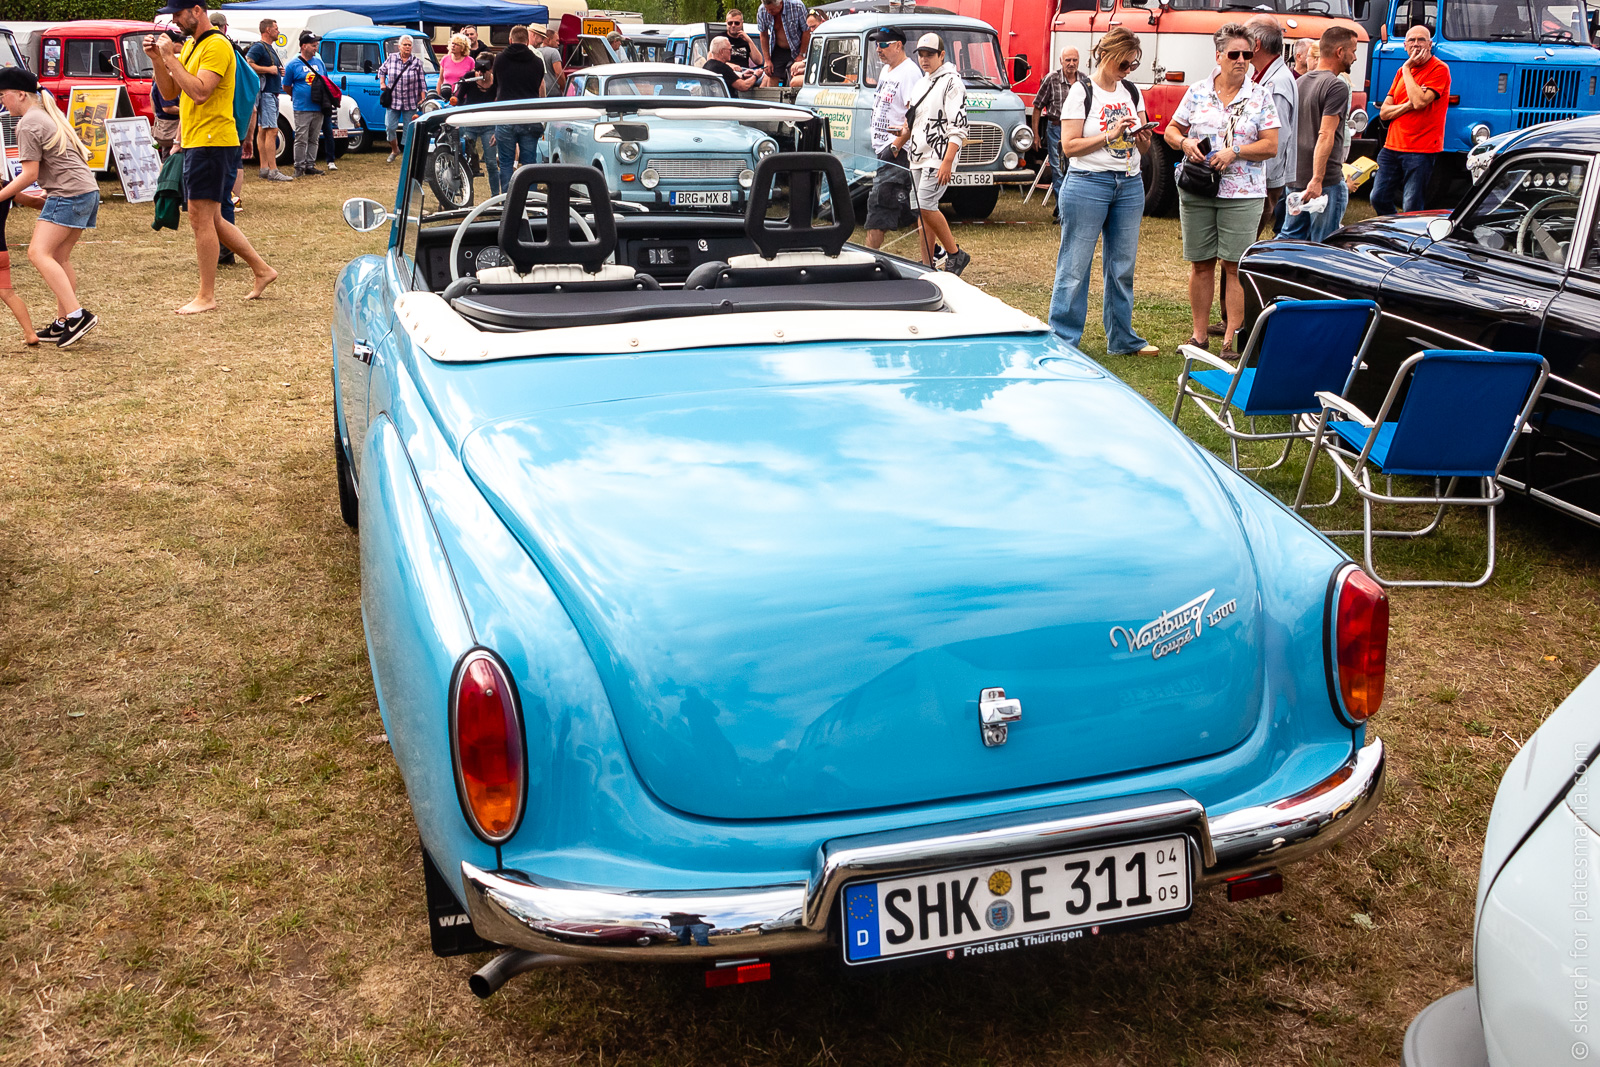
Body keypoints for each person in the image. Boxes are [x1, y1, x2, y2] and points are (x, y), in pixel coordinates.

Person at [145, 0, 276, 315]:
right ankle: (262, 270)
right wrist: (157, 60)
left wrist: (168, 57)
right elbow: (170, 93)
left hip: (212, 141)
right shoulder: (191, 46)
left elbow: (200, 90)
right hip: (198, 140)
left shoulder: (216, 46)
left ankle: (206, 296)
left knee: (200, 218)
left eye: (178, 14)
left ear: (197, 10)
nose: (175, 22)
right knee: (213, 218)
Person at [1165, 23, 1279, 358]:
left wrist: (1237, 151)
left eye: (1248, 54)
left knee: (1234, 265)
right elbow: (1171, 129)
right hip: (1198, 187)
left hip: (1243, 193)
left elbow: (1271, 146)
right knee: (1201, 263)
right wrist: (1185, 142)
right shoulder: (1198, 91)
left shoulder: (1260, 96)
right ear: (1219, 56)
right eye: (1235, 54)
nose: (1242, 60)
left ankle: (1231, 338)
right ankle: (1199, 336)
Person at [1048, 26, 1156, 356]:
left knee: (1122, 266)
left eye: (1133, 66)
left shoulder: (1132, 92)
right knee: (1075, 266)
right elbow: (1069, 146)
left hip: (1129, 183)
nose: (1128, 71)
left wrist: (1143, 140)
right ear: (1106, 55)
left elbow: (1146, 147)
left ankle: (1122, 339)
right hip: (1087, 183)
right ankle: (1063, 339)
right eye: (1124, 64)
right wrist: (1109, 136)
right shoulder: (1081, 92)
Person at [893, 33, 970, 275]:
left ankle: (955, 254)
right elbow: (915, 120)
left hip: (938, 155)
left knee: (927, 204)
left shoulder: (952, 83)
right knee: (920, 209)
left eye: (930, 55)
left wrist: (948, 160)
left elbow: (958, 126)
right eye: (922, 55)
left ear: (942, 55)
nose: (925, 60)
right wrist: (899, 140)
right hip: (918, 155)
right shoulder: (922, 83)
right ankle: (927, 263)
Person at [1280, 25, 1359, 243]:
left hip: (1295, 176)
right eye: (1353, 51)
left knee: (1291, 237)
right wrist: (1317, 179)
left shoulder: (1299, 82)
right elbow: (1325, 134)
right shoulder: (1336, 87)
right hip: (1324, 182)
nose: (1355, 58)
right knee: (1322, 244)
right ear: (1339, 51)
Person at [1370, 24, 1449, 216]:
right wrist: (1406, 105)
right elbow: (1384, 113)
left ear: (1430, 44)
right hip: (1391, 147)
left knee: (1412, 205)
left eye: (1421, 40)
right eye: (1411, 40)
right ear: (1405, 46)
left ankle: (1408, 241)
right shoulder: (1401, 72)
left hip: (1421, 149)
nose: (1416, 44)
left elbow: (1420, 102)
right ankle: (1393, 230)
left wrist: (1407, 69)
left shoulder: (1439, 70)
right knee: (1377, 197)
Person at [863, 26, 920, 250]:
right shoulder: (887, 70)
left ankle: (868, 260)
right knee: (910, 209)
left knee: (878, 208)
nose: (879, 49)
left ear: (898, 45)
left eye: (884, 44)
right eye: (877, 44)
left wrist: (896, 147)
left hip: (897, 153)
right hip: (883, 151)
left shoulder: (909, 73)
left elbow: (914, 116)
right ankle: (938, 250)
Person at [1247, 16, 1296, 234]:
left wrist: (1262, 179)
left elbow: (1279, 136)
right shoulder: (1265, 75)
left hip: (1263, 176)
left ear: (1256, 44)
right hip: (1259, 174)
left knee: (1245, 238)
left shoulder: (1276, 83)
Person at [1031, 48, 1088, 215]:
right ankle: (1063, 211)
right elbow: (1037, 107)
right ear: (1061, 61)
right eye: (1068, 60)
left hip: (1078, 130)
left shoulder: (1084, 80)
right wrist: (1035, 135)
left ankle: (1065, 209)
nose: (1071, 64)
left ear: (1079, 61)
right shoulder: (1051, 79)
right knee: (1058, 169)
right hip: (1056, 128)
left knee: (1075, 168)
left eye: (1074, 60)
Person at [493, 25, 545, 180]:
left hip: (506, 115)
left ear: (510, 40)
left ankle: (508, 200)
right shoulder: (537, 62)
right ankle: (531, 200)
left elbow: (496, 84)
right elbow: (539, 86)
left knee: (506, 163)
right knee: (530, 165)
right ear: (527, 40)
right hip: (529, 116)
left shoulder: (500, 59)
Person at [246, 19, 291, 181]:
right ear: (267, 30)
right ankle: (273, 170)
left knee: (264, 131)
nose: (278, 32)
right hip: (266, 94)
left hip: (270, 93)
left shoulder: (269, 49)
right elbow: (248, 63)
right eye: (276, 29)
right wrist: (269, 70)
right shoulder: (259, 47)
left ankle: (264, 168)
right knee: (272, 131)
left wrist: (279, 71)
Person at [378, 34, 427, 163]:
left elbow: (422, 82)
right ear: (399, 46)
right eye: (404, 45)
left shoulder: (416, 63)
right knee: (389, 126)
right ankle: (395, 149)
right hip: (393, 100)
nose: (407, 47)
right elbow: (381, 71)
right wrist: (382, 83)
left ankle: (407, 155)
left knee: (408, 129)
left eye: (409, 45)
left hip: (410, 101)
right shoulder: (391, 58)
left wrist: (423, 98)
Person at [458, 53, 500, 196]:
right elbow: (458, 98)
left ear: (492, 67)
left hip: (488, 123)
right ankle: (467, 196)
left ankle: (496, 197)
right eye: (479, 66)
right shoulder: (470, 77)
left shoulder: (497, 81)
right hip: (470, 123)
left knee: (491, 163)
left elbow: (501, 104)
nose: (481, 71)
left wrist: (497, 129)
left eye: (485, 68)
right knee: (467, 161)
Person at [285, 32, 326, 176]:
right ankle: (299, 166)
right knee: (301, 138)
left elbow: (325, 82)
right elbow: (286, 86)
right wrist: (297, 96)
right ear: (303, 46)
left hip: (318, 106)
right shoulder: (293, 64)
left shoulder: (319, 63)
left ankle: (310, 164)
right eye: (313, 45)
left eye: (316, 45)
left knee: (314, 138)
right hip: (302, 107)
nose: (316, 47)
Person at [758, 0, 810, 88]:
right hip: (778, 48)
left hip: (798, 47)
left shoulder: (797, 6)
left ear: (780, 3)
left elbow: (806, 31)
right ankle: (772, 99)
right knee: (771, 73)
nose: (769, 12)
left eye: (772, 10)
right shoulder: (762, 10)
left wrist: (802, 54)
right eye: (767, 10)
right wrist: (767, 60)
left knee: (796, 72)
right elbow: (763, 35)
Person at [151, 71, 181, 157]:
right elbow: (167, 108)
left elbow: (151, 97)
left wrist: (155, 115)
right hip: (170, 127)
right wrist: (186, 109)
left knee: (167, 158)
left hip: (166, 125)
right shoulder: (165, 84)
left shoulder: (157, 81)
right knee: (169, 160)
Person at [532, 25, 564, 97]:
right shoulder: (554, 52)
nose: (558, 43)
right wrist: (564, 88)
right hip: (553, 93)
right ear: (549, 40)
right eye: (557, 40)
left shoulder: (535, 52)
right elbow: (559, 73)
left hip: (538, 92)